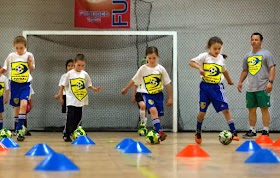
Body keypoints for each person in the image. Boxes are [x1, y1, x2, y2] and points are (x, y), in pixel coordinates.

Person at [189, 36, 239, 144]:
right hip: (205, 88)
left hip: (217, 88)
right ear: (209, 47)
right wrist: (200, 68)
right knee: (202, 112)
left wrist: (229, 81)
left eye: (219, 49)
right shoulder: (204, 56)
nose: (217, 51)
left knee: (225, 109)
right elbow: (191, 62)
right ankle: (198, 131)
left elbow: (224, 71)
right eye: (215, 48)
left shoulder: (221, 58)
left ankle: (234, 132)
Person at [121, 46, 173, 142]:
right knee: (153, 111)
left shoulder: (161, 69)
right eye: (149, 58)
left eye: (154, 58)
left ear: (157, 57)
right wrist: (126, 88)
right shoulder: (143, 69)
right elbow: (134, 80)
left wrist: (170, 98)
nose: (152, 60)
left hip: (158, 94)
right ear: (146, 57)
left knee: (158, 115)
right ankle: (160, 132)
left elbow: (168, 84)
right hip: (146, 94)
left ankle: (156, 132)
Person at [237, 32, 276, 138]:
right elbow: (245, 70)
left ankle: (265, 130)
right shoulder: (247, 56)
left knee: (264, 108)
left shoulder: (267, 54)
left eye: (256, 40)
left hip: (263, 86)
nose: (254, 41)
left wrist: (270, 82)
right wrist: (240, 82)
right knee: (251, 109)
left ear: (261, 41)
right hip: (250, 88)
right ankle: (252, 130)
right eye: (252, 39)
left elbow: (272, 68)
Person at [56, 54, 101, 142]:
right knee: (70, 117)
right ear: (75, 63)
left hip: (80, 99)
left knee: (78, 117)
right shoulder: (69, 74)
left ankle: (74, 131)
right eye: (78, 65)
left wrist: (94, 89)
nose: (80, 67)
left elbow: (88, 84)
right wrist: (60, 95)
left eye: (82, 65)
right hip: (71, 100)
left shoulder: (85, 74)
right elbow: (63, 85)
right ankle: (66, 134)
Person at [0, 36, 35, 141]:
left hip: (25, 84)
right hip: (14, 84)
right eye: (17, 48)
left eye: (21, 48)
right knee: (16, 107)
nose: (19, 50)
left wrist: (29, 63)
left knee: (24, 104)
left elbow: (32, 69)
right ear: (14, 47)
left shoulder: (29, 55)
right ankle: (16, 128)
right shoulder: (11, 56)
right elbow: (5, 68)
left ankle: (20, 130)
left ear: (25, 46)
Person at [55, 59, 74, 133]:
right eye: (68, 66)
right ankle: (67, 130)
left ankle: (75, 129)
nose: (70, 67)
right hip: (66, 96)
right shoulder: (64, 76)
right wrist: (60, 97)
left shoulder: (77, 76)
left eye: (72, 65)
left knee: (75, 114)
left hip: (74, 97)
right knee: (68, 114)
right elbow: (61, 87)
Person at [132, 58, 148, 130]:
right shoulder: (139, 75)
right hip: (139, 93)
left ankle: (144, 126)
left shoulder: (151, 75)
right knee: (142, 105)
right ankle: (142, 121)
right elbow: (134, 85)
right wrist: (133, 96)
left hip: (148, 94)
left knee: (146, 110)